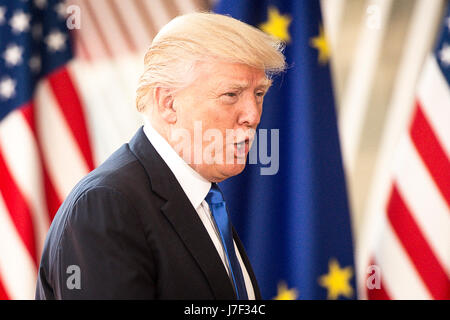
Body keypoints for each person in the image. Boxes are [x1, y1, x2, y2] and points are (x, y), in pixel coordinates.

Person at [35, 12, 286, 300]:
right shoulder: (105, 205)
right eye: (231, 94)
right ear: (168, 104)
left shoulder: (204, 196)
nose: (253, 115)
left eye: (258, 94)